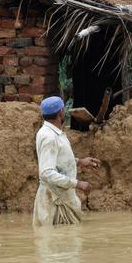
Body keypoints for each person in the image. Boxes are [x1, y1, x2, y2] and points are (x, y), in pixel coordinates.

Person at [33, 96, 101, 227]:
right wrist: (78, 183)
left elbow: (57, 160)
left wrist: (79, 161)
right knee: (63, 242)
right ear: (60, 113)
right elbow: (46, 173)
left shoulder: (48, 132)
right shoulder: (50, 137)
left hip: (59, 197)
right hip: (55, 201)